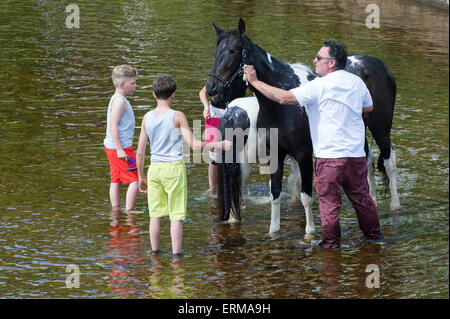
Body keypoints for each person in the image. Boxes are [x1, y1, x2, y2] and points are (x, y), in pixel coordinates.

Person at [244, 41, 383, 248]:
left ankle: (331, 247)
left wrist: (254, 82)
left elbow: (283, 97)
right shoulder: (357, 82)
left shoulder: (319, 85)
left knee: (330, 206)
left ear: (332, 63)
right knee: (363, 201)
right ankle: (375, 240)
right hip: (356, 157)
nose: (314, 61)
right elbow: (369, 106)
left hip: (330, 158)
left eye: (319, 58)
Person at [137, 75, 231, 257]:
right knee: (176, 216)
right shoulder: (177, 116)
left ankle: (154, 253)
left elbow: (140, 152)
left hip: (154, 169)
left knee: (155, 215)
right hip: (173, 169)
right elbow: (195, 145)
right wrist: (219, 145)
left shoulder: (146, 117)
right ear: (174, 94)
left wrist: (141, 177)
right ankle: (176, 257)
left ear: (154, 95)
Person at [104, 64, 139, 213]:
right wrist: (119, 149)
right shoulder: (119, 102)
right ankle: (129, 211)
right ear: (121, 84)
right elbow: (113, 125)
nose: (135, 86)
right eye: (132, 83)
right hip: (121, 148)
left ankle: (116, 209)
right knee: (135, 180)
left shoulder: (117, 99)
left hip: (112, 146)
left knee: (116, 178)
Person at [199, 86, 229, 194]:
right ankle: (212, 191)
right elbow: (203, 92)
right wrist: (206, 106)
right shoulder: (218, 73)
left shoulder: (242, 74)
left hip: (234, 112)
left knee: (234, 156)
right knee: (214, 157)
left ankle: (232, 190)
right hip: (214, 112)